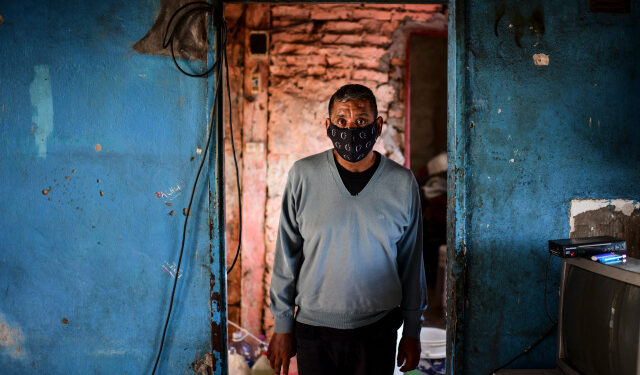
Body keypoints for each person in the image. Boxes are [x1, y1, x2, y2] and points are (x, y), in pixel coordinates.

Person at [266, 84, 427, 375]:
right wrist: (282, 324)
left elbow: (412, 262)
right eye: (342, 121)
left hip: (378, 330)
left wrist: (413, 330)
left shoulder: (402, 183)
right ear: (328, 126)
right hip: (313, 331)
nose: (351, 128)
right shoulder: (303, 175)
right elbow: (286, 256)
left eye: (361, 121)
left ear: (378, 126)